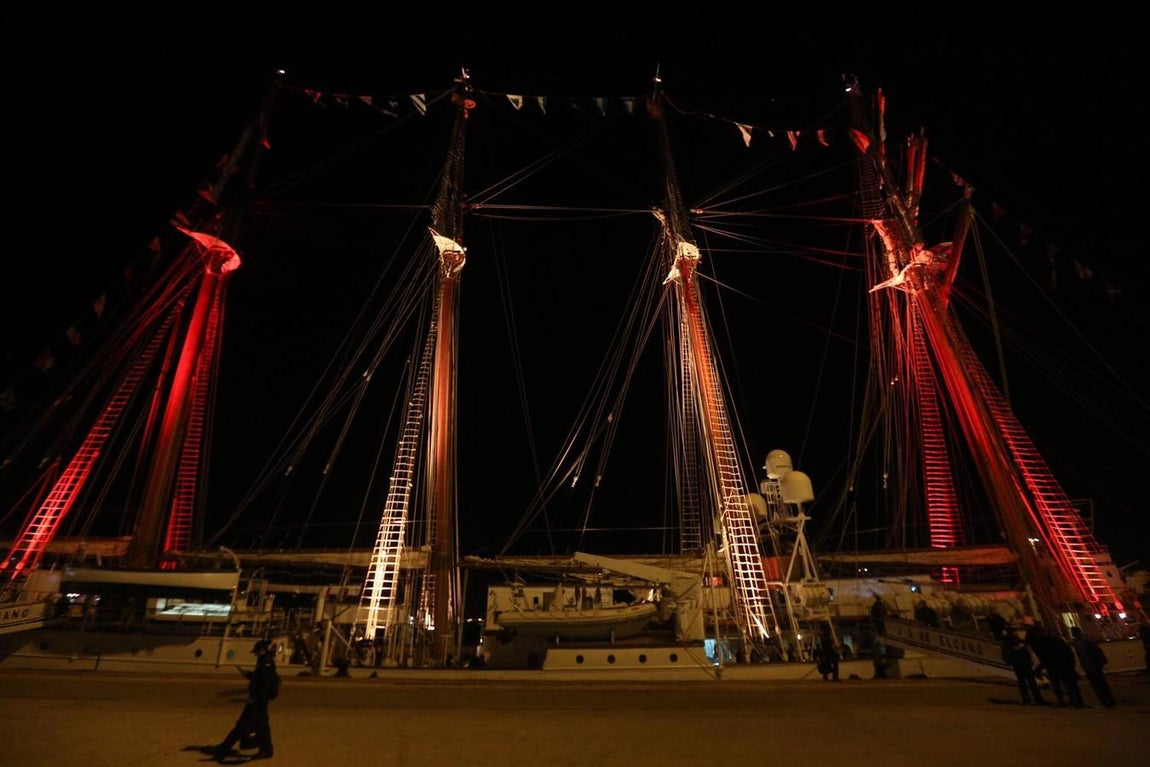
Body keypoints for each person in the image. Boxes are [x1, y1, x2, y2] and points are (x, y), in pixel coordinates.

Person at [210, 639, 280, 760]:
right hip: (258, 701)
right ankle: (261, 748)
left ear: (262, 651)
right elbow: (260, 680)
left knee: (244, 726)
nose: (255, 654)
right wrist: (247, 674)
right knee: (259, 726)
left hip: (257, 702)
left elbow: (264, 685)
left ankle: (228, 748)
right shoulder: (265, 662)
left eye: (256, 652)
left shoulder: (266, 664)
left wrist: (254, 699)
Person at [1026, 625, 1084, 708]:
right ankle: (1076, 701)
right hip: (1062, 664)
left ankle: (1070, 701)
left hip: (1057, 666)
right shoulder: (1052, 641)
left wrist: (1039, 668)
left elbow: (1046, 657)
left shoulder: (1043, 643)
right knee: (1069, 684)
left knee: (1062, 684)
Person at [1070, 626, 1115, 707]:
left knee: (1096, 684)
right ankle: (1109, 699)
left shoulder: (1080, 643)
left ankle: (1104, 700)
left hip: (1091, 666)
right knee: (1102, 682)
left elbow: (1083, 656)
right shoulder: (1087, 639)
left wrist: (1086, 666)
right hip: (1097, 663)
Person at [1001, 632, 1045, 705]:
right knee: (1031, 683)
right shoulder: (1021, 644)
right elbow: (1029, 654)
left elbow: (1007, 656)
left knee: (1023, 683)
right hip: (1025, 665)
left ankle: (1028, 699)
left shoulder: (1008, 645)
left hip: (1019, 666)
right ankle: (1037, 699)